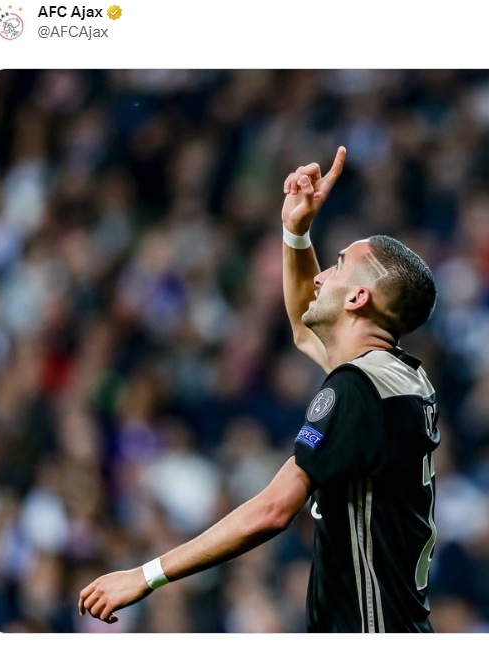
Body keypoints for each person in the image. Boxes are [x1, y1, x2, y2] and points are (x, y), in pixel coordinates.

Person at [78, 146, 440, 633]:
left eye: (336, 265)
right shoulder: (403, 379)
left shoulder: (358, 389)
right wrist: (296, 231)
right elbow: (305, 326)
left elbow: (273, 510)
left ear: (358, 297)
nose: (321, 276)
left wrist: (145, 576)